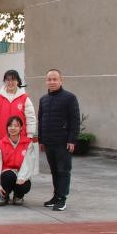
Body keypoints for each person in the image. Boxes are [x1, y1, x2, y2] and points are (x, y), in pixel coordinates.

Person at [38, 69, 80, 212]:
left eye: (55, 79)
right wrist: (41, 140)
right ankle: (56, 196)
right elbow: (41, 120)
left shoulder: (70, 98)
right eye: (49, 79)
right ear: (46, 81)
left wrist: (72, 140)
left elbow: (75, 120)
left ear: (61, 80)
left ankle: (62, 198)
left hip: (63, 142)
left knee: (63, 171)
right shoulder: (43, 99)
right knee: (54, 171)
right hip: (48, 142)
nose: (52, 82)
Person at [0, 116, 37, 206]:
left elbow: (28, 163)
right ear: (7, 128)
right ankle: (4, 196)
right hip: (7, 174)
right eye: (10, 126)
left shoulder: (27, 143)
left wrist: (22, 177)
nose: (13, 128)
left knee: (25, 185)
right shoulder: (0, 144)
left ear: (21, 128)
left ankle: (18, 196)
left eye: (16, 126)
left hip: (21, 173)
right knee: (8, 175)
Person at [0, 69, 36, 143]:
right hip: (2, 138)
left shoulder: (25, 98)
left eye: (13, 79)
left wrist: (30, 136)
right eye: (8, 80)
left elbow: (30, 119)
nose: (10, 82)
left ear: (18, 81)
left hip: (21, 139)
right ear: (5, 81)